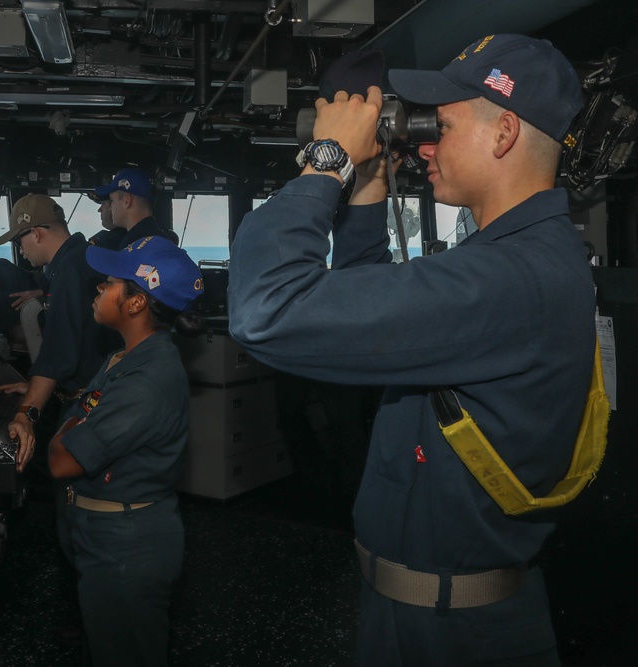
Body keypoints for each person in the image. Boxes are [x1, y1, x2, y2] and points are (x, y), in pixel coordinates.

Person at [228, 34, 593, 666]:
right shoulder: (517, 260)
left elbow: (267, 310)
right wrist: (367, 186)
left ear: (504, 133)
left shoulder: (506, 282)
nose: (422, 146)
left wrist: (328, 159)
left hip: (453, 636)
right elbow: (375, 313)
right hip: (425, 612)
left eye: (440, 126)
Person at [48, 235, 204, 666]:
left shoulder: (146, 382)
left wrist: (71, 422)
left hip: (126, 548)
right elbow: (85, 412)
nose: (99, 288)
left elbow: (62, 459)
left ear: (136, 304)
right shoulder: (126, 357)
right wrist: (79, 419)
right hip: (101, 533)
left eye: (110, 282)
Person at [0, 193, 116, 470]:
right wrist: (35, 388)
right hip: (95, 394)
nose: (21, 250)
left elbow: (58, 354)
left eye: (18, 241)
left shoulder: (70, 270)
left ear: (36, 233)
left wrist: (26, 414)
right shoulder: (77, 259)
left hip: (89, 406)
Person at [93, 167, 180, 249]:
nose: (110, 208)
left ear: (127, 201)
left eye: (112, 201)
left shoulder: (135, 245)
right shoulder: (155, 239)